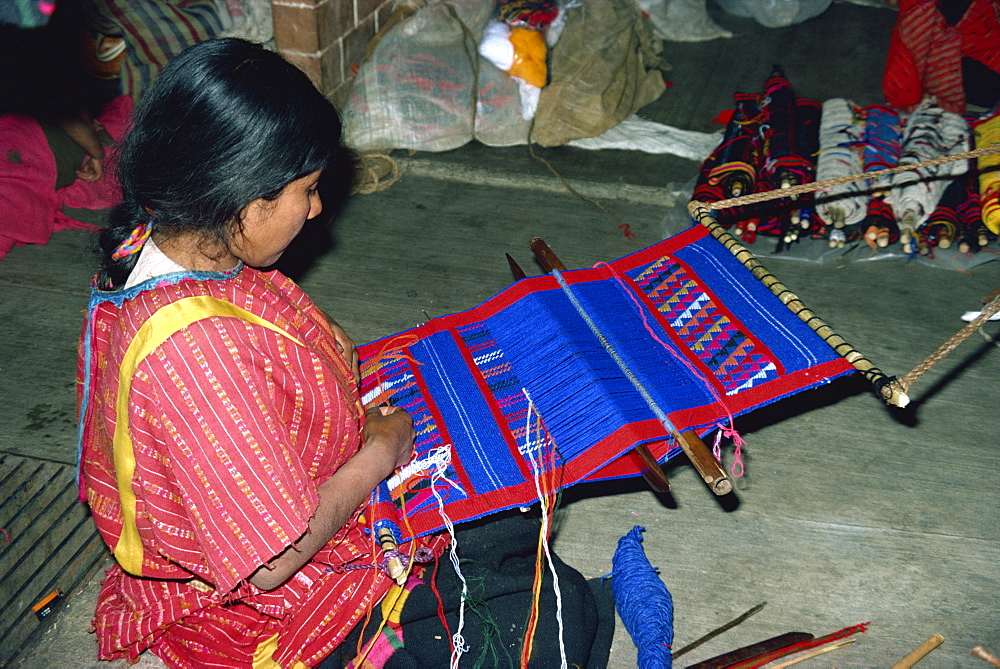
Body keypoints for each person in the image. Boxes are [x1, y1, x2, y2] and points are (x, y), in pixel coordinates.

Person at [77, 38, 611, 668]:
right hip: (260, 611)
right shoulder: (195, 353)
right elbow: (275, 562)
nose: (318, 207)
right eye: (306, 190)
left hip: (289, 492)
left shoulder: (168, 246)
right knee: (540, 618)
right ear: (246, 203)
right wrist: (383, 448)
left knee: (509, 517)